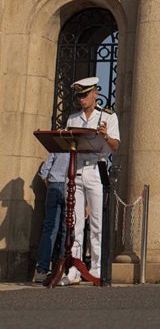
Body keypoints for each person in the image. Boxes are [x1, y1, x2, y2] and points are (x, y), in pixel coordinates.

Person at [60, 77, 120, 285]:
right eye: (79, 96)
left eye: (85, 95)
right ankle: (74, 270)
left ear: (95, 93)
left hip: (96, 168)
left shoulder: (108, 116)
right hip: (76, 170)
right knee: (74, 223)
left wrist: (104, 136)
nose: (82, 99)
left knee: (96, 222)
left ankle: (96, 268)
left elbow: (115, 146)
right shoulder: (73, 119)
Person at [33, 153, 70, 283]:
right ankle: (61, 269)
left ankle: (41, 269)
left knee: (49, 228)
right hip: (69, 185)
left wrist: (50, 186)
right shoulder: (77, 148)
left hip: (53, 185)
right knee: (66, 229)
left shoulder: (57, 148)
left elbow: (43, 171)